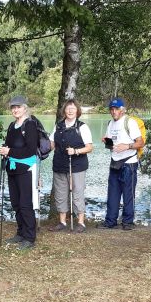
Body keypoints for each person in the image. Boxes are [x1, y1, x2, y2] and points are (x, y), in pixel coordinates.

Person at [0, 96, 39, 250]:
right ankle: (20, 232)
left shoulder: (30, 125)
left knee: (25, 204)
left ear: (25, 108)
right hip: (13, 168)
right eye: (13, 107)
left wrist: (10, 151)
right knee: (16, 203)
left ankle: (29, 237)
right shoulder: (11, 126)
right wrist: (4, 150)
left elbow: (30, 150)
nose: (15, 110)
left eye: (18, 107)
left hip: (26, 169)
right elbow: (9, 145)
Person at [98, 98, 144, 230]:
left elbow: (140, 143)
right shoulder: (110, 123)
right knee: (112, 193)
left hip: (129, 163)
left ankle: (127, 222)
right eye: (111, 109)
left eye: (116, 109)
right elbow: (112, 145)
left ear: (122, 110)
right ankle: (110, 221)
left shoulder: (130, 122)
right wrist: (106, 142)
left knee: (128, 193)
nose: (114, 111)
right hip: (114, 162)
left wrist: (127, 146)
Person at [49, 100, 93, 233]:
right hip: (59, 164)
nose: (70, 111)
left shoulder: (82, 127)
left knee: (77, 193)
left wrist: (76, 151)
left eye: (73, 108)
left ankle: (80, 222)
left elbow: (89, 147)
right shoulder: (58, 126)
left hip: (77, 166)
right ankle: (62, 221)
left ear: (77, 111)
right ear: (64, 110)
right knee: (61, 193)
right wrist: (41, 150)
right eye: (68, 108)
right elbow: (52, 144)